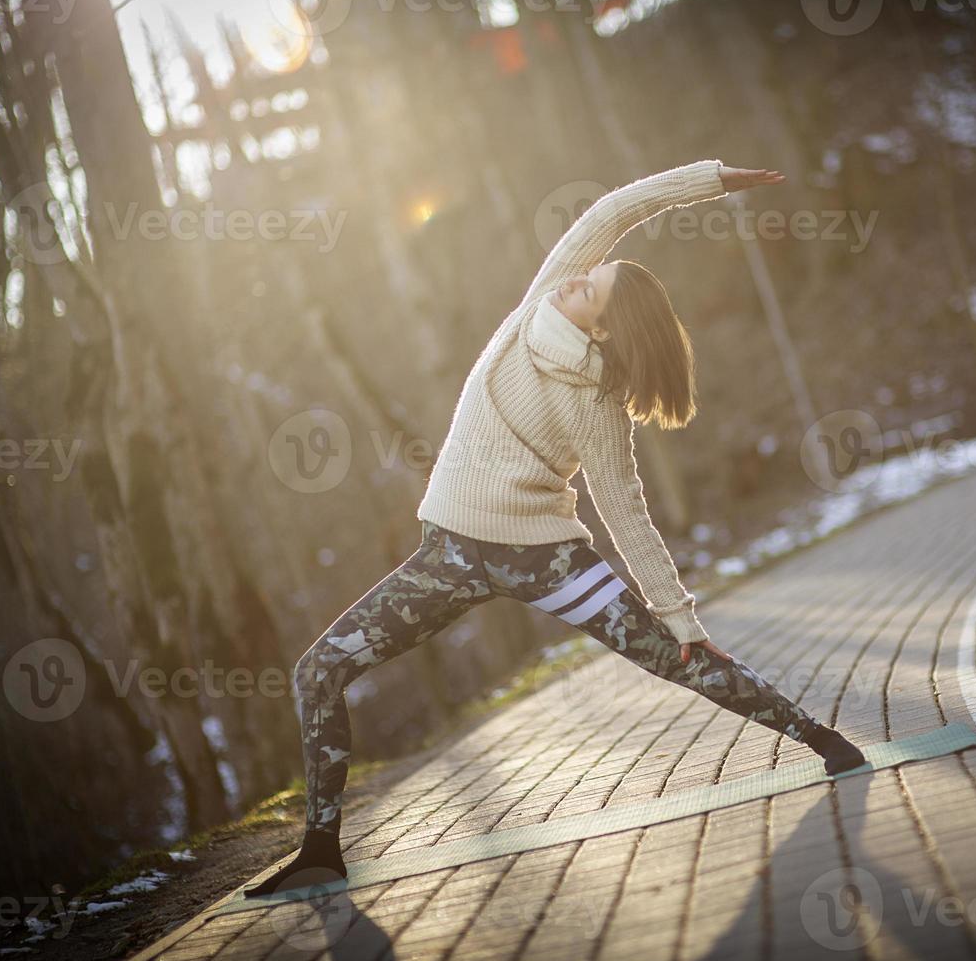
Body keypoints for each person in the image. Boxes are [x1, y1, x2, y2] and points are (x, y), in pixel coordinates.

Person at [246, 160, 865, 897]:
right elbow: (614, 210)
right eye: (588, 275)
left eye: (592, 292)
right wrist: (714, 179)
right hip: (448, 554)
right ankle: (322, 847)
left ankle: (823, 740)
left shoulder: (598, 401)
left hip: (545, 558)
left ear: (602, 329)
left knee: (677, 659)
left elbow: (624, 505)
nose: (579, 279)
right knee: (317, 672)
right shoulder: (536, 305)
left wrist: (678, 614)